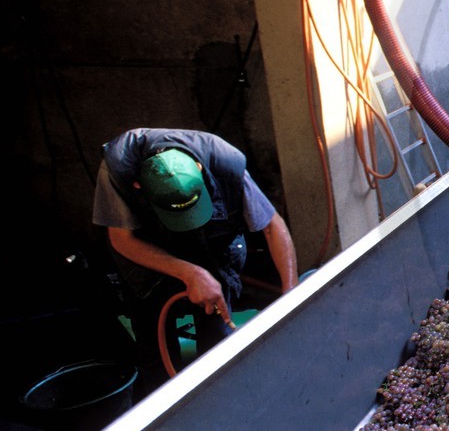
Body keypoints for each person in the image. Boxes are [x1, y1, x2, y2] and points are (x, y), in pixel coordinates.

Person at [93, 128, 297, 386]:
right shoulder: (118, 166)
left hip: (213, 240)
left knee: (218, 343)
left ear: (200, 168)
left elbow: (271, 225)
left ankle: (223, 395)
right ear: (138, 186)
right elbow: (122, 240)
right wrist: (192, 273)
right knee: (154, 353)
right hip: (151, 249)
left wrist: (292, 294)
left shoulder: (225, 160)